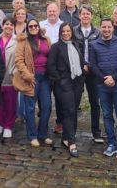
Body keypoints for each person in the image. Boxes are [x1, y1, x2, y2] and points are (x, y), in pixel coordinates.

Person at [90, 17, 117, 161]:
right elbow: (93, 65)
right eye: (104, 27)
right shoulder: (94, 45)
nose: (106, 30)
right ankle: (112, 143)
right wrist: (104, 79)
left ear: (113, 28)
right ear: (100, 28)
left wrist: (114, 78)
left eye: (109, 27)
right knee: (106, 114)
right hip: (102, 85)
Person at [48, 22, 86, 157]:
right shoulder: (56, 47)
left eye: (68, 31)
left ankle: (66, 137)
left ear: (71, 32)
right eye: (63, 31)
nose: (65, 33)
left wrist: (85, 66)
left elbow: (81, 61)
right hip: (64, 84)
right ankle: (71, 141)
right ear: (60, 32)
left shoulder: (75, 45)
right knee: (69, 110)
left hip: (77, 82)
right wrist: (59, 80)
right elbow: (51, 66)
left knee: (73, 110)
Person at [14, 18, 53, 147]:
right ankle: (32, 135)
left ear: (39, 26)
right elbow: (19, 60)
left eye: (35, 25)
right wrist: (27, 75)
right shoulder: (23, 41)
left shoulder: (46, 39)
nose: (33, 28)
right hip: (32, 77)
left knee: (46, 106)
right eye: (30, 26)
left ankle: (43, 134)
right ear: (27, 28)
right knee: (30, 108)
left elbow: (51, 56)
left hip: (45, 77)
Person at [73, 4, 103, 143]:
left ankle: (96, 132)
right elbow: (73, 51)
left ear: (91, 16)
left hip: (93, 72)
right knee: (75, 101)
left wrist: (91, 65)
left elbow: (100, 52)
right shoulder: (74, 31)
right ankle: (71, 131)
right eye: (83, 13)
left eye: (88, 14)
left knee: (94, 102)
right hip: (78, 70)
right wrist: (82, 64)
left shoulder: (98, 33)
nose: (85, 16)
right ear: (79, 16)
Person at [0, 16, 19, 141]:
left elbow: (20, 59)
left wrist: (16, 72)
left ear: (14, 27)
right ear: (2, 25)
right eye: (6, 24)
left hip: (10, 75)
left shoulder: (18, 41)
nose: (8, 26)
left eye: (11, 25)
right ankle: (0, 123)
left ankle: (8, 125)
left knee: (10, 102)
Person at [39, 2, 63, 133]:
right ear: (46, 12)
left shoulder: (63, 26)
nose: (52, 13)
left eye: (54, 11)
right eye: (50, 11)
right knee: (44, 96)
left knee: (59, 97)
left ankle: (60, 122)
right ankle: (43, 121)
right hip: (44, 66)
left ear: (58, 12)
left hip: (59, 67)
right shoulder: (41, 25)